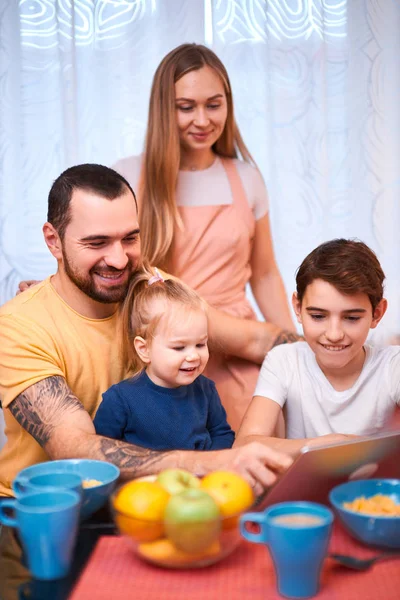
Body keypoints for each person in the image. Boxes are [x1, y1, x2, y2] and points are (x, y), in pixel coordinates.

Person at [0, 163, 293, 502]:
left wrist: (343, 345)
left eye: (130, 238)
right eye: (97, 242)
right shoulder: (17, 327)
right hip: (41, 512)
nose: (120, 259)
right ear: (54, 240)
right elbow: (75, 449)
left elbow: (253, 339)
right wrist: (216, 463)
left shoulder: (152, 290)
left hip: (151, 501)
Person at [114, 43, 299, 432]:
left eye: (213, 104)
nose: (202, 119)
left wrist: (295, 353)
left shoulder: (247, 178)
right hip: (163, 356)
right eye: (186, 107)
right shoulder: (130, 178)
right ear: (163, 107)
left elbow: (264, 274)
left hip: (238, 359)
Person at [235, 239, 400, 456]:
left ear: (376, 313)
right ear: (298, 307)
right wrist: (330, 445)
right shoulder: (284, 360)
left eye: (351, 318)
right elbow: (244, 445)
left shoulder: (392, 365)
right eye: (318, 316)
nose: (334, 334)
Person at [94, 266, 235, 450]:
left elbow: (222, 434)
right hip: (147, 478)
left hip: (202, 477)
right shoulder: (120, 400)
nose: (193, 356)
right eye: (179, 347)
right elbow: (102, 452)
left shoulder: (206, 390)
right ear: (144, 349)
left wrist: (212, 463)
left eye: (200, 344)